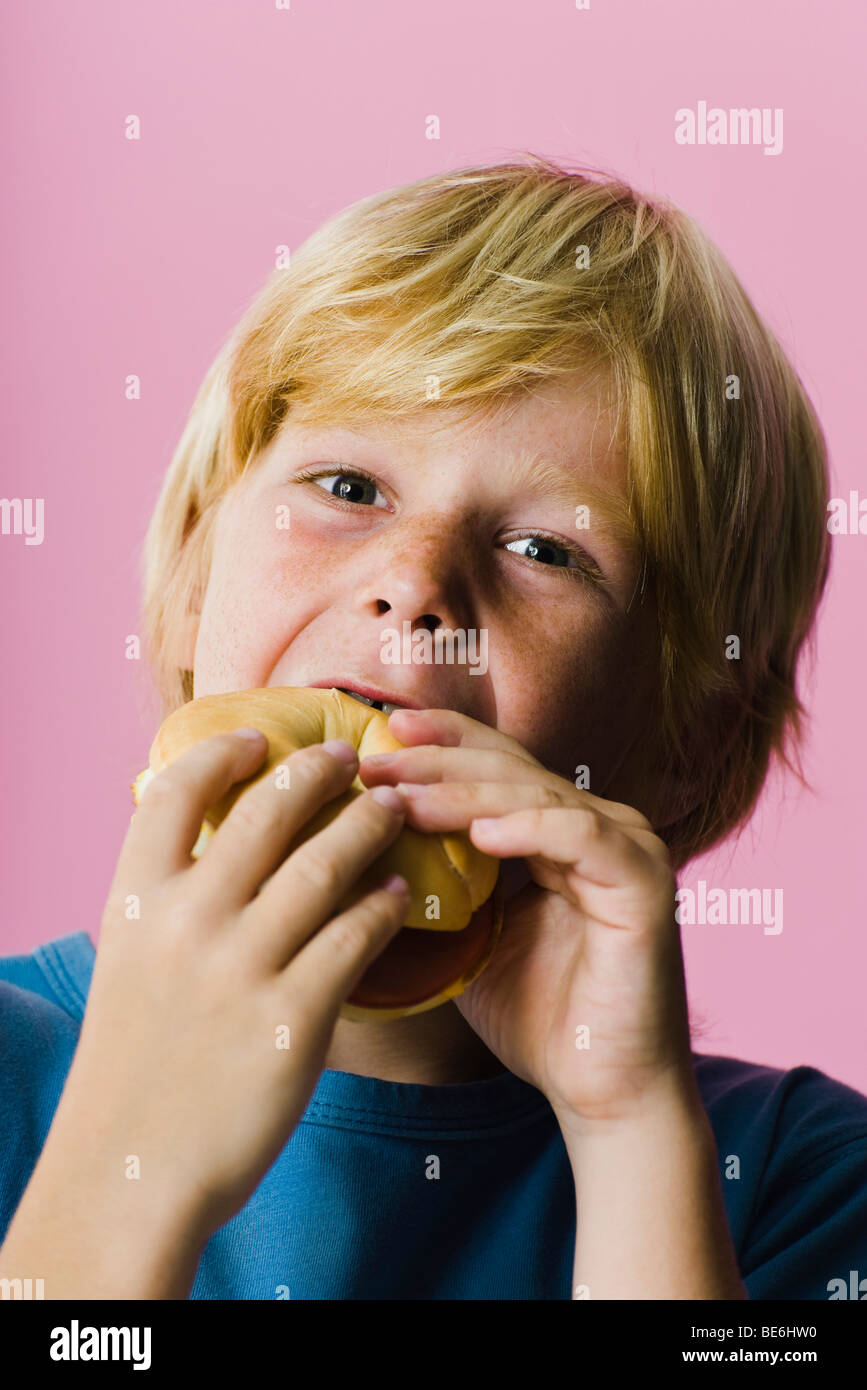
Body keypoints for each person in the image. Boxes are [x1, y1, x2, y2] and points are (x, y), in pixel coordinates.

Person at [2, 158, 866, 1300]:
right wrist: (127, 1176)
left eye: (546, 551)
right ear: (196, 585)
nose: (415, 585)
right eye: (349, 486)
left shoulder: (801, 1178)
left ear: (692, 737)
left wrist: (628, 1138)